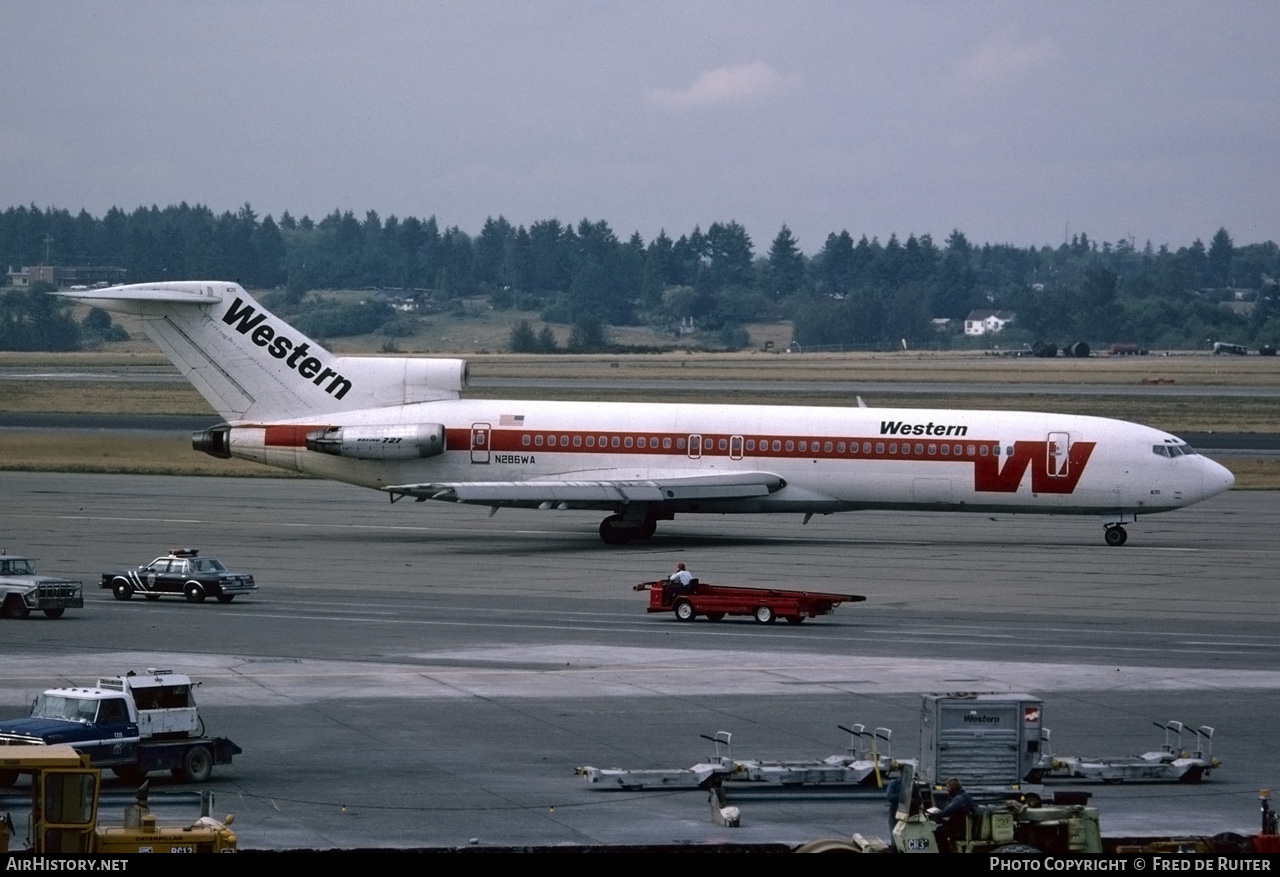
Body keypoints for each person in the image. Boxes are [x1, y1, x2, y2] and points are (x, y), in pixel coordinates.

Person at [931, 777, 976, 850]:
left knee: (938, 831)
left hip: (960, 829)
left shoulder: (959, 798)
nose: (947, 790)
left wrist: (936, 813)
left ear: (953, 787)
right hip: (963, 826)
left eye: (948, 787)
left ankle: (945, 851)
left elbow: (947, 812)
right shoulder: (964, 796)